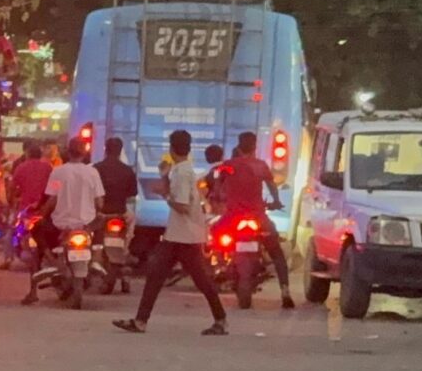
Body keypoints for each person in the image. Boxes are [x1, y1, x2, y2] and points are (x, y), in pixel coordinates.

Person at [115, 131, 227, 336]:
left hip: (183, 236)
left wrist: (164, 194)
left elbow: (182, 206)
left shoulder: (182, 174)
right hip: (179, 235)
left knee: (195, 279)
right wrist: (165, 177)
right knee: (158, 276)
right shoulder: (182, 170)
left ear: (172, 148)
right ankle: (141, 321)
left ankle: (221, 319)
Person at [20, 139, 104, 305]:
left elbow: (52, 199)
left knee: (35, 229)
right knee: (101, 224)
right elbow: (99, 203)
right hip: (86, 225)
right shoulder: (93, 173)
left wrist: (42, 214)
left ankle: (48, 265)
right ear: (84, 154)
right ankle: (96, 258)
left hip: (61, 225)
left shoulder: (58, 172)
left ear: (67, 152)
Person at [217, 130, 294, 309]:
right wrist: (276, 201)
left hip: (232, 217)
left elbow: (218, 185)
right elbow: (272, 186)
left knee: (215, 234)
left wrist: (221, 197)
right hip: (258, 217)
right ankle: (285, 291)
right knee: (276, 252)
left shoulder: (228, 166)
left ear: (238, 147)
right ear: (255, 147)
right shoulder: (261, 166)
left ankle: (220, 265)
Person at [97, 136, 139, 218]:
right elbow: (133, 193)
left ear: (106, 150)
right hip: (120, 213)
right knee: (132, 220)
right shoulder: (128, 170)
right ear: (120, 151)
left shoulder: (96, 168)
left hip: (101, 213)